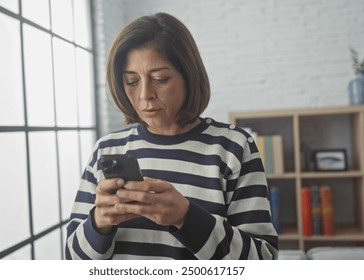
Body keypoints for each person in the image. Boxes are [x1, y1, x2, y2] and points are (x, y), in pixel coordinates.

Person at [65, 12, 278, 260]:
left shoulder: (233, 147)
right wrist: (99, 223)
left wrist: (186, 217)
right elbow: (73, 259)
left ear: (189, 76)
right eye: (132, 81)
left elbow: (263, 259)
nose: (145, 95)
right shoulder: (106, 150)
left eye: (160, 79)